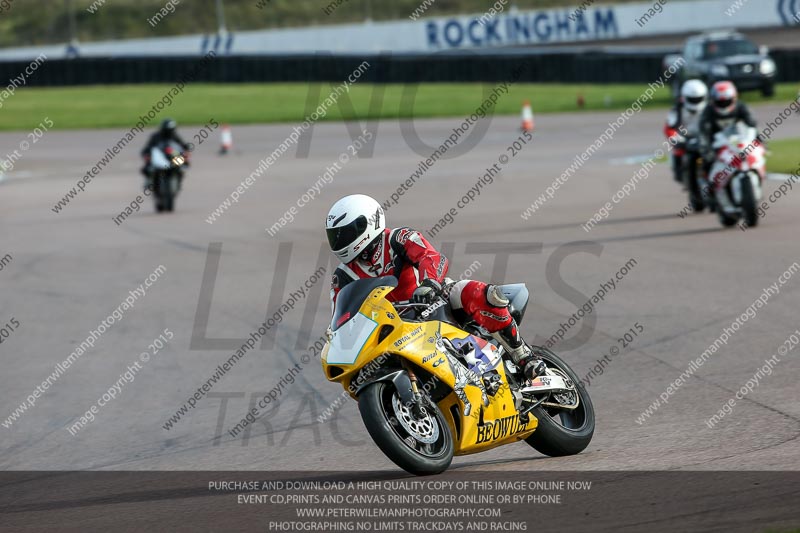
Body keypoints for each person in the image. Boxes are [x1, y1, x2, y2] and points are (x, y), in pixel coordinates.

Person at [325, 194, 545, 382]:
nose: (340, 241)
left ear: (367, 222)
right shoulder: (343, 275)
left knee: (476, 293)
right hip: (395, 325)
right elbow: (342, 310)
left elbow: (432, 257)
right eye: (335, 236)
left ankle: (522, 354)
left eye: (345, 234)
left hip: (430, 299)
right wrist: (336, 333)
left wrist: (430, 283)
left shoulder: (397, 238)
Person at [664, 79, 707, 184]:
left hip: (705, 137)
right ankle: (681, 172)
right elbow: (669, 127)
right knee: (678, 151)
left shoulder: (710, 107)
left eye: (698, 99)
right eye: (692, 99)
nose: (696, 102)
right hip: (685, 138)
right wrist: (676, 139)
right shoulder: (677, 109)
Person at [140, 118, 191, 185]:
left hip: (172, 158)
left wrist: (186, 149)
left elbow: (182, 145)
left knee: (184, 162)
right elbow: (148, 147)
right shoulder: (156, 136)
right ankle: (149, 181)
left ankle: (179, 177)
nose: (168, 133)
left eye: (170, 130)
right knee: (147, 167)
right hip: (159, 158)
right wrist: (146, 153)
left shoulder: (174, 136)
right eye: (167, 131)